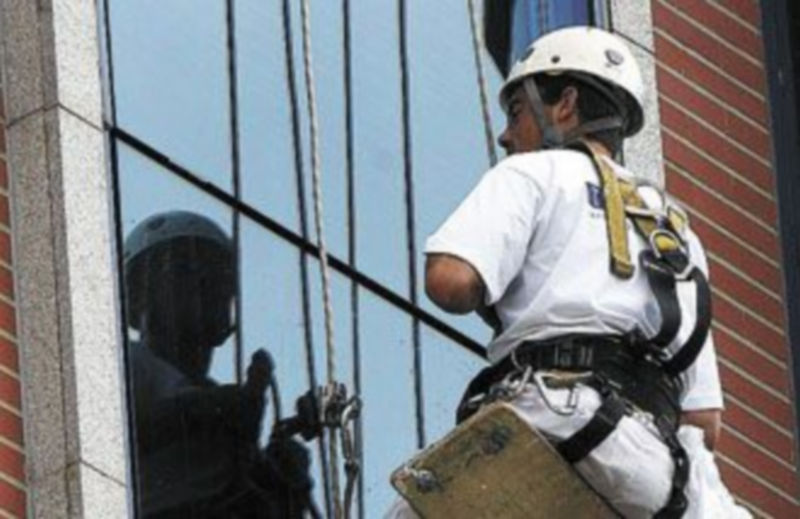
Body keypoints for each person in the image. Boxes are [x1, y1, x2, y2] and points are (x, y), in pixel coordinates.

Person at [388, 27, 749, 518]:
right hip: (655, 473)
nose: (505, 135)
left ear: (566, 104)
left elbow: (450, 282)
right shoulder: (679, 230)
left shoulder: (532, 173)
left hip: (555, 420)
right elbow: (705, 420)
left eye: (516, 112)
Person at [124, 210, 317, 518]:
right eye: (184, 272)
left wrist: (282, 475)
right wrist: (216, 410)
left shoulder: (227, 409)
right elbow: (115, 430)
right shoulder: (128, 363)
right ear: (137, 299)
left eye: (217, 279)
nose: (205, 286)